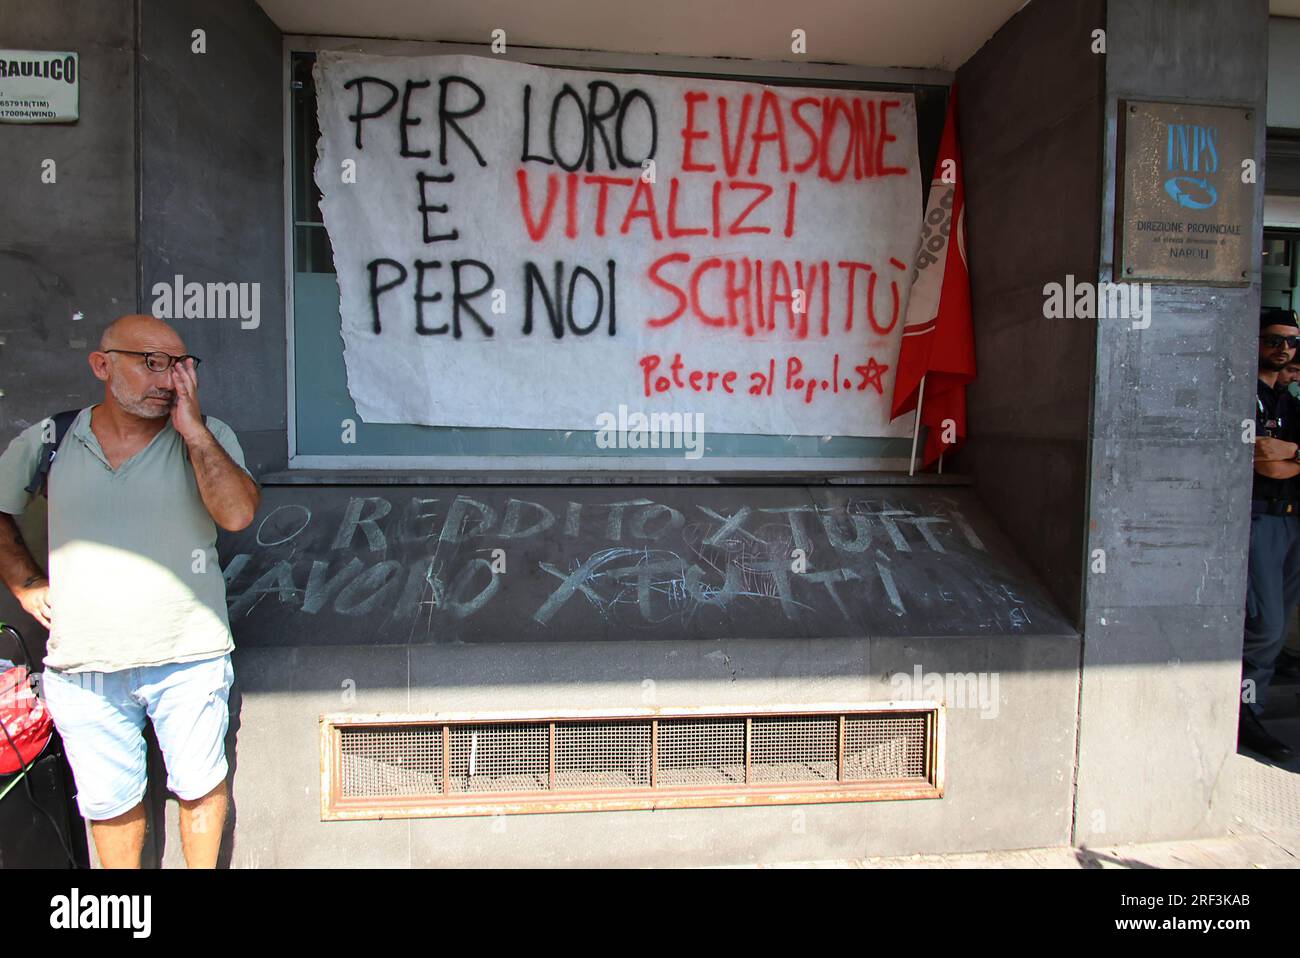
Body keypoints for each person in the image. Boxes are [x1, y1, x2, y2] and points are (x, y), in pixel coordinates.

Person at [0, 314, 259, 867]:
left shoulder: (209, 435)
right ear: (103, 365)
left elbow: (237, 514)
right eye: (152, 362)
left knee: (200, 784)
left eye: (180, 365)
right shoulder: (54, 438)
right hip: (85, 661)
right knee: (109, 801)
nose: (168, 378)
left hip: (190, 654)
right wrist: (25, 583)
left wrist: (193, 431)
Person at [1242, 306, 1300, 761]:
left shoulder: (1290, 403)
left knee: (1275, 631)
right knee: (1265, 626)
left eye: (1292, 341)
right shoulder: (1244, 396)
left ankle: (1250, 707)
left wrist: (1291, 454)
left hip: (1290, 518)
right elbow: (1263, 458)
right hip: (1258, 517)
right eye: (1274, 339)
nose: (1284, 348)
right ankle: (1245, 711)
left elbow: (1281, 458)